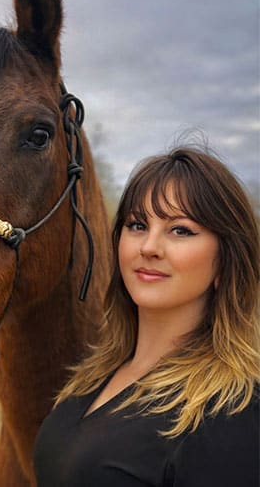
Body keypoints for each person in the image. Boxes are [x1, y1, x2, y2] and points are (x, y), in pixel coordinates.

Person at [33, 146, 260, 487]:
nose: (149, 246)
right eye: (137, 225)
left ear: (225, 261)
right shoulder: (92, 376)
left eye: (180, 230)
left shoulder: (231, 412)